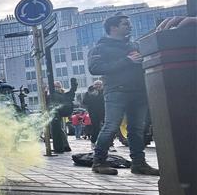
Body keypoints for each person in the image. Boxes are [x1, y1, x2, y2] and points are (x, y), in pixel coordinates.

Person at [87, 15, 158, 176]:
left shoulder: (134, 45)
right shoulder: (101, 48)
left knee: (136, 129)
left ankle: (139, 164)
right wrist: (126, 60)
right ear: (113, 27)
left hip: (139, 91)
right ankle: (99, 162)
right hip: (117, 91)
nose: (129, 26)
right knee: (111, 126)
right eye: (125, 24)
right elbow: (95, 68)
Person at [48, 79, 77, 153]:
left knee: (57, 129)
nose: (56, 88)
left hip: (58, 113)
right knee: (59, 130)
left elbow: (72, 91)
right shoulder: (53, 94)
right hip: (56, 113)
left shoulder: (63, 95)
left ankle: (61, 147)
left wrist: (74, 84)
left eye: (58, 86)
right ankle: (65, 146)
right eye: (55, 86)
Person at [82, 81, 105, 148]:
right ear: (94, 85)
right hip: (93, 113)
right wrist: (92, 96)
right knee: (96, 128)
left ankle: (109, 144)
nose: (98, 86)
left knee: (106, 128)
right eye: (96, 84)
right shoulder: (89, 92)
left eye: (100, 84)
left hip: (104, 112)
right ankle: (93, 142)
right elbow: (84, 102)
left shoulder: (104, 92)